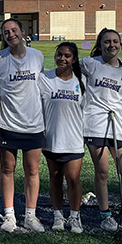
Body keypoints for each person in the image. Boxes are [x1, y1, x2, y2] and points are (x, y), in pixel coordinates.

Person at [81, 28, 122, 233]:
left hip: (118, 125)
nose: (112, 45)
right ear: (100, 45)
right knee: (103, 171)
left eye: (115, 41)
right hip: (95, 124)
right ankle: (105, 214)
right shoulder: (90, 64)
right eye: (107, 42)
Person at [0, 19, 45, 233]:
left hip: (33, 124)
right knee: (7, 169)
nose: (11, 34)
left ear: (22, 31)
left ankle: (31, 215)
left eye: (14, 30)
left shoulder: (37, 56)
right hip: (8, 124)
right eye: (6, 32)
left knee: (32, 170)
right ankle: (9, 215)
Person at [39, 42, 86, 233]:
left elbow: (87, 110)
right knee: (55, 177)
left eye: (67, 56)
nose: (62, 59)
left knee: (73, 178)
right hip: (51, 138)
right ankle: (58, 215)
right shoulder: (45, 79)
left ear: (74, 59)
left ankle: (75, 216)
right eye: (59, 55)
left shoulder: (81, 82)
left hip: (74, 140)